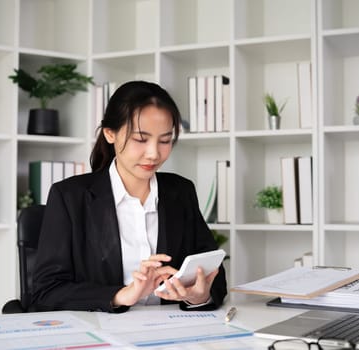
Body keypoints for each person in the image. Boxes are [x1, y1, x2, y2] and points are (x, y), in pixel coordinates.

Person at [31, 80, 227, 313]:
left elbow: (214, 274)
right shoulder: (69, 197)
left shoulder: (180, 192)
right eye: (140, 139)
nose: (154, 154)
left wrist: (200, 296)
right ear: (110, 133)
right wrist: (122, 295)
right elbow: (46, 291)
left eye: (165, 140)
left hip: (170, 332)